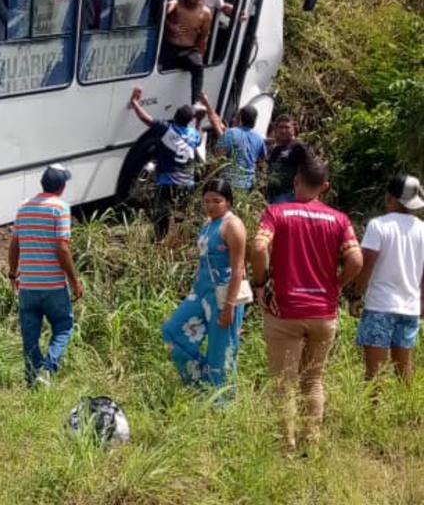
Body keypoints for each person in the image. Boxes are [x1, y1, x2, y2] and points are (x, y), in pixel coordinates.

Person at [251, 159, 363, 451]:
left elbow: (260, 246)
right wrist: (337, 285)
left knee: (284, 383)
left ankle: (285, 446)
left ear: (296, 181)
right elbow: (356, 259)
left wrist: (260, 283)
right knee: (313, 380)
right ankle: (310, 443)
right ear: (324, 187)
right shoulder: (339, 220)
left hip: (285, 311)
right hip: (323, 312)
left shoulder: (276, 213)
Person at [162, 179, 248, 390]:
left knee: (221, 350)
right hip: (202, 292)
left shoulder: (233, 225)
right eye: (206, 201)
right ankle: (201, 382)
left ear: (228, 202)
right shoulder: (208, 223)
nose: (210, 206)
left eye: (216, 201)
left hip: (224, 295)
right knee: (172, 331)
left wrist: (229, 307)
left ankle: (222, 402)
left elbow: (238, 269)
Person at [8, 164, 85, 387]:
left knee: (30, 335)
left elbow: (15, 245)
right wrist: (74, 281)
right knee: (64, 327)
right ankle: (47, 370)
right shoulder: (60, 208)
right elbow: (62, 247)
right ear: (62, 186)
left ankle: (34, 378)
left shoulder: (24, 207)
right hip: (53, 287)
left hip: (28, 286)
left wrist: (13, 275)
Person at [350, 174, 424, 383]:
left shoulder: (378, 225)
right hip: (410, 308)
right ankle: (406, 413)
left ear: (390, 198)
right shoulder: (422, 229)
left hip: (380, 306)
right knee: (405, 372)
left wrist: (357, 296)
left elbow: (366, 265)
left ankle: (374, 414)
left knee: (375, 374)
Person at [129, 86, 202, 240]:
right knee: (182, 215)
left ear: (174, 117)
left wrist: (135, 102)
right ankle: (179, 243)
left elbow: (146, 119)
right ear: (190, 121)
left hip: (167, 183)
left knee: (162, 217)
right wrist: (199, 122)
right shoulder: (194, 135)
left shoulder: (166, 129)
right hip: (188, 183)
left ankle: (159, 243)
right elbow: (198, 139)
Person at [162, 0, 213, 106]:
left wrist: (200, 54)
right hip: (170, 47)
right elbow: (162, 13)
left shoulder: (205, 13)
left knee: (198, 66)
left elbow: (203, 37)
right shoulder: (176, 4)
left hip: (188, 50)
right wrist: (169, 25)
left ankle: (196, 102)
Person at [208, 103, 267, 191]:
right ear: (254, 120)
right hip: (247, 186)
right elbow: (263, 161)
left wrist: (209, 178)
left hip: (228, 183)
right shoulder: (259, 139)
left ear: (240, 118)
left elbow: (218, 157)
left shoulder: (231, 133)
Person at [265, 115, 311, 204]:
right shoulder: (276, 149)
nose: (283, 131)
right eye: (280, 127)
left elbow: (310, 168)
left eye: (287, 127)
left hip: (289, 195)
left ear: (294, 129)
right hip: (273, 195)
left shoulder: (299, 147)